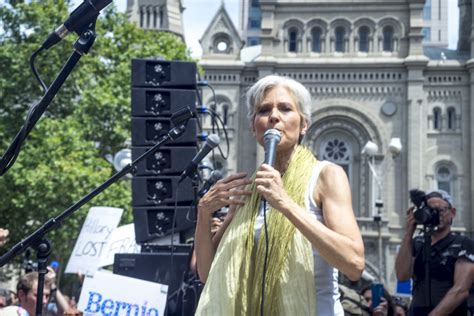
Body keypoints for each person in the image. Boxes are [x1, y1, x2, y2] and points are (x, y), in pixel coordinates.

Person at [194, 75, 365, 315]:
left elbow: (354, 264)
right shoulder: (248, 189)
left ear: (303, 124)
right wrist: (204, 213)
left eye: (285, 108)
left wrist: (285, 203)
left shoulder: (326, 175)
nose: (274, 116)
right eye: (264, 110)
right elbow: (208, 272)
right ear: (254, 127)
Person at [395, 189, 474, 315]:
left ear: (452, 212)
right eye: (431, 210)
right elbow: (402, 276)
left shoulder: (463, 243)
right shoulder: (417, 243)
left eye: (440, 210)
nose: (436, 215)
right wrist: (408, 233)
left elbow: (460, 290)